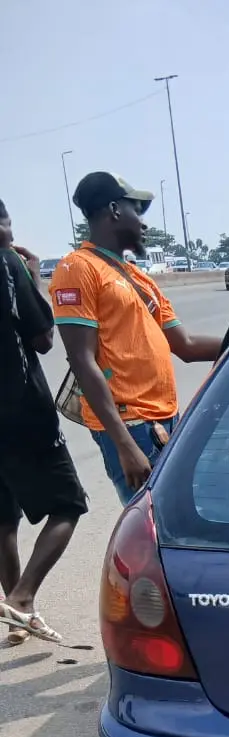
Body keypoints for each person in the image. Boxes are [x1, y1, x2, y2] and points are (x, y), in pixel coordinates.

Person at [50, 172, 221, 504]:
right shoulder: (77, 268)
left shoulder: (139, 279)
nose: (143, 223)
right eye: (137, 211)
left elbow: (184, 345)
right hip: (131, 426)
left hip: (164, 418)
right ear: (114, 210)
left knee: (176, 516)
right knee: (153, 526)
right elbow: (82, 361)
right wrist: (124, 445)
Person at [0, 199, 87, 645]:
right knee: (69, 503)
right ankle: (23, 598)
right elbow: (43, 338)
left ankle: (17, 616)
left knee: (3, 519)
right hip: (21, 410)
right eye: (8, 229)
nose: (12, 238)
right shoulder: (7, 264)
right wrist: (32, 275)